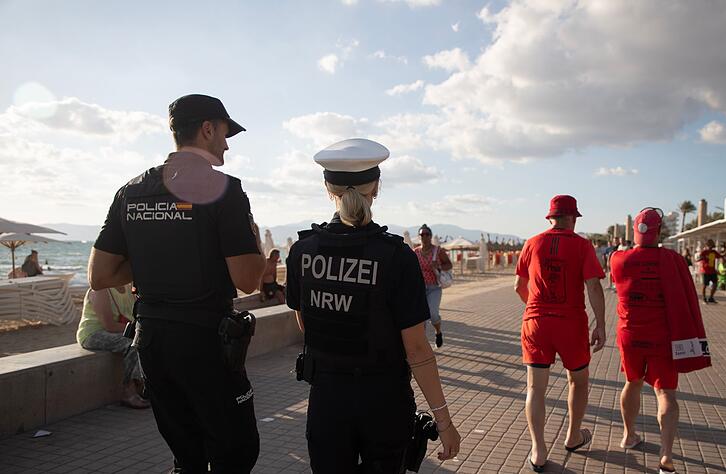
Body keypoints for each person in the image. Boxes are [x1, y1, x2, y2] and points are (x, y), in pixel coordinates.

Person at [88, 94, 265, 473]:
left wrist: (156, 262)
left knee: (187, 455)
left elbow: (99, 275)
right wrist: (253, 239)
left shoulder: (131, 190)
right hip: (205, 342)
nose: (227, 143)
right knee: (237, 450)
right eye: (224, 133)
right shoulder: (224, 189)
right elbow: (248, 280)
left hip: (152, 341)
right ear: (206, 129)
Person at [285, 138, 461, 473]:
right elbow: (417, 349)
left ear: (327, 188)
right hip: (384, 400)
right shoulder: (396, 256)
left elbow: (307, 325)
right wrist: (444, 421)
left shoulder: (301, 252)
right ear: (376, 188)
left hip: (326, 400)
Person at [611, 208, 711, 474]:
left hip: (630, 334)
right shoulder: (674, 260)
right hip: (663, 337)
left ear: (635, 230)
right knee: (665, 392)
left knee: (632, 382)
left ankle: (628, 435)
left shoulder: (617, 259)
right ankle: (666, 456)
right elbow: (686, 297)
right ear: (660, 232)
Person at [514, 195, 606, 472]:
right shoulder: (582, 245)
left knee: (535, 388)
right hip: (571, 323)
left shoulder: (532, 243)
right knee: (578, 381)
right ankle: (573, 436)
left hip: (536, 322)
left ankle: (538, 451)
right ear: (573, 218)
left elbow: (519, 285)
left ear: (550, 217)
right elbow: (593, 286)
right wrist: (600, 323)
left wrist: (535, 308)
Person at [76, 284, 148, 408]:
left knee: (149, 341)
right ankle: (129, 391)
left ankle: (145, 386)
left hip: (119, 331)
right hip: (93, 334)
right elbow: (109, 325)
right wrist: (137, 331)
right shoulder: (100, 290)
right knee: (132, 344)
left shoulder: (128, 288)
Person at [414, 224, 452, 348]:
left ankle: (438, 332)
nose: (424, 237)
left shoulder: (438, 251)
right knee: (421, 317)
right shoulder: (415, 252)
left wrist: (439, 266)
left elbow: (449, 265)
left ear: (430, 236)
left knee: (433, 313)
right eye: (422, 234)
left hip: (434, 287)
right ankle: (423, 344)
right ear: (419, 237)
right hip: (419, 288)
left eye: (427, 234)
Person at [697, 240, 726, 304]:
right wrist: (700, 259)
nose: (710, 247)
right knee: (705, 285)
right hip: (705, 271)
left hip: (712, 271)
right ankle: (704, 298)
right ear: (706, 245)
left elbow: (721, 255)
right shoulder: (704, 252)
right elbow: (699, 258)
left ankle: (711, 297)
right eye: (709, 245)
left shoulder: (714, 252)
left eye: (711, 246)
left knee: (715, 284)